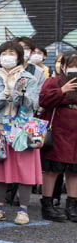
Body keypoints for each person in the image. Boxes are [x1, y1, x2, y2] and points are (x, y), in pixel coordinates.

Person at [0, 40, 43, 224]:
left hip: (23, 129)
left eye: (11, 53)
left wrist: (19, 94)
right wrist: (3, 95)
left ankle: (23, 210)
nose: (7, 57)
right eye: (3, 53)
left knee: (25, 171)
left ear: (18, 57)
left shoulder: (29, 78)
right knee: (0, 170)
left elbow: (33, 104)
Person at [39, 52, 77, 221]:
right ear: (63, 67)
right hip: (58, 130)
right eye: (72, 64)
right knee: (52, 169)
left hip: (75, 131)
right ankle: (47, 204)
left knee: (74, 170)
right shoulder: (53, 81)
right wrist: (62, 90)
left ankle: (72, 205)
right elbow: (43, 100)